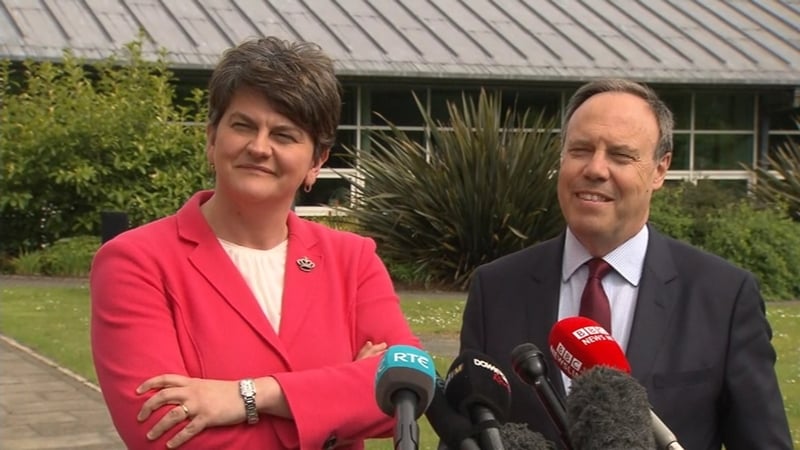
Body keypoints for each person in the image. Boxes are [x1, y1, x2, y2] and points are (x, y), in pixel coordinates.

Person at [90, 37, 421, 449]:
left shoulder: (352, 260)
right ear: (212, 138)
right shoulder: (135, 262)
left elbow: (411, 386)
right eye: (243, 125)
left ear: (316, 161)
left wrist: (249, 396)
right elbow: (165, 433)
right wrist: (341, 399)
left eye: (284, 135)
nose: (259, 147)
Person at [458, 79, 793, 449]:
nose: (596, 169)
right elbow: (465, 433)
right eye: (581, 150)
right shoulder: (496, 288)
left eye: (620, 156)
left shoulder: (723, 296)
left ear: (660, 170)